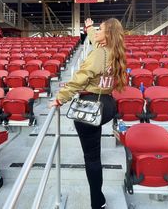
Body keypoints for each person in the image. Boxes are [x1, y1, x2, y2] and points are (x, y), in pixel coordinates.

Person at [49, 17, 127, 209]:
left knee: (91, 158)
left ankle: (97, 202)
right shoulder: (114, 51)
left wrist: (60, 98)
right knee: (95, 154)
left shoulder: (99, 54)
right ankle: (98, 199)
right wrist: (90, 28)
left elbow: (79, 80)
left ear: (107, 34)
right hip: (107, 104)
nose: (96, 33)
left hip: (91, 106)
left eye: (100, 30)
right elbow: (94, 39)